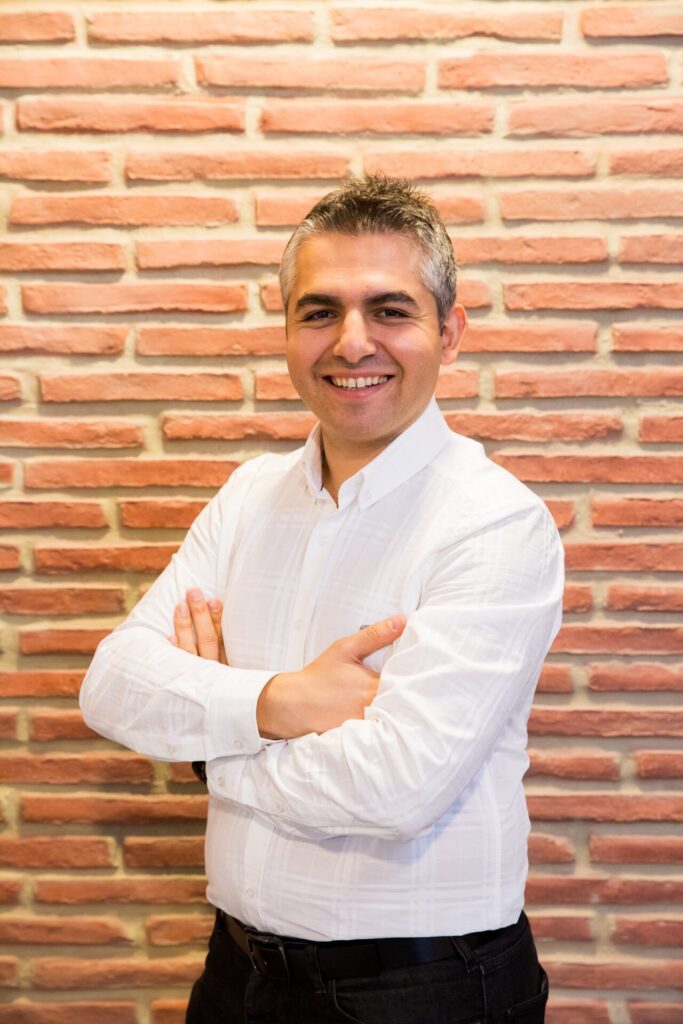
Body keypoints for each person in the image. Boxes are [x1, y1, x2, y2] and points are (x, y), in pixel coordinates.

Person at [80, 175, 563, 1023]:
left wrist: (209, 741)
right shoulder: (248, 496)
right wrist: (276, 701)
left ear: (449, 333)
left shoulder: (493, 522)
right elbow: (112, 684)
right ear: (286, 331)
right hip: (236, 973)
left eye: (389, 310)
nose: (351, 342)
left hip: (422, 989)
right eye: (318, 311)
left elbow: (395, 788)